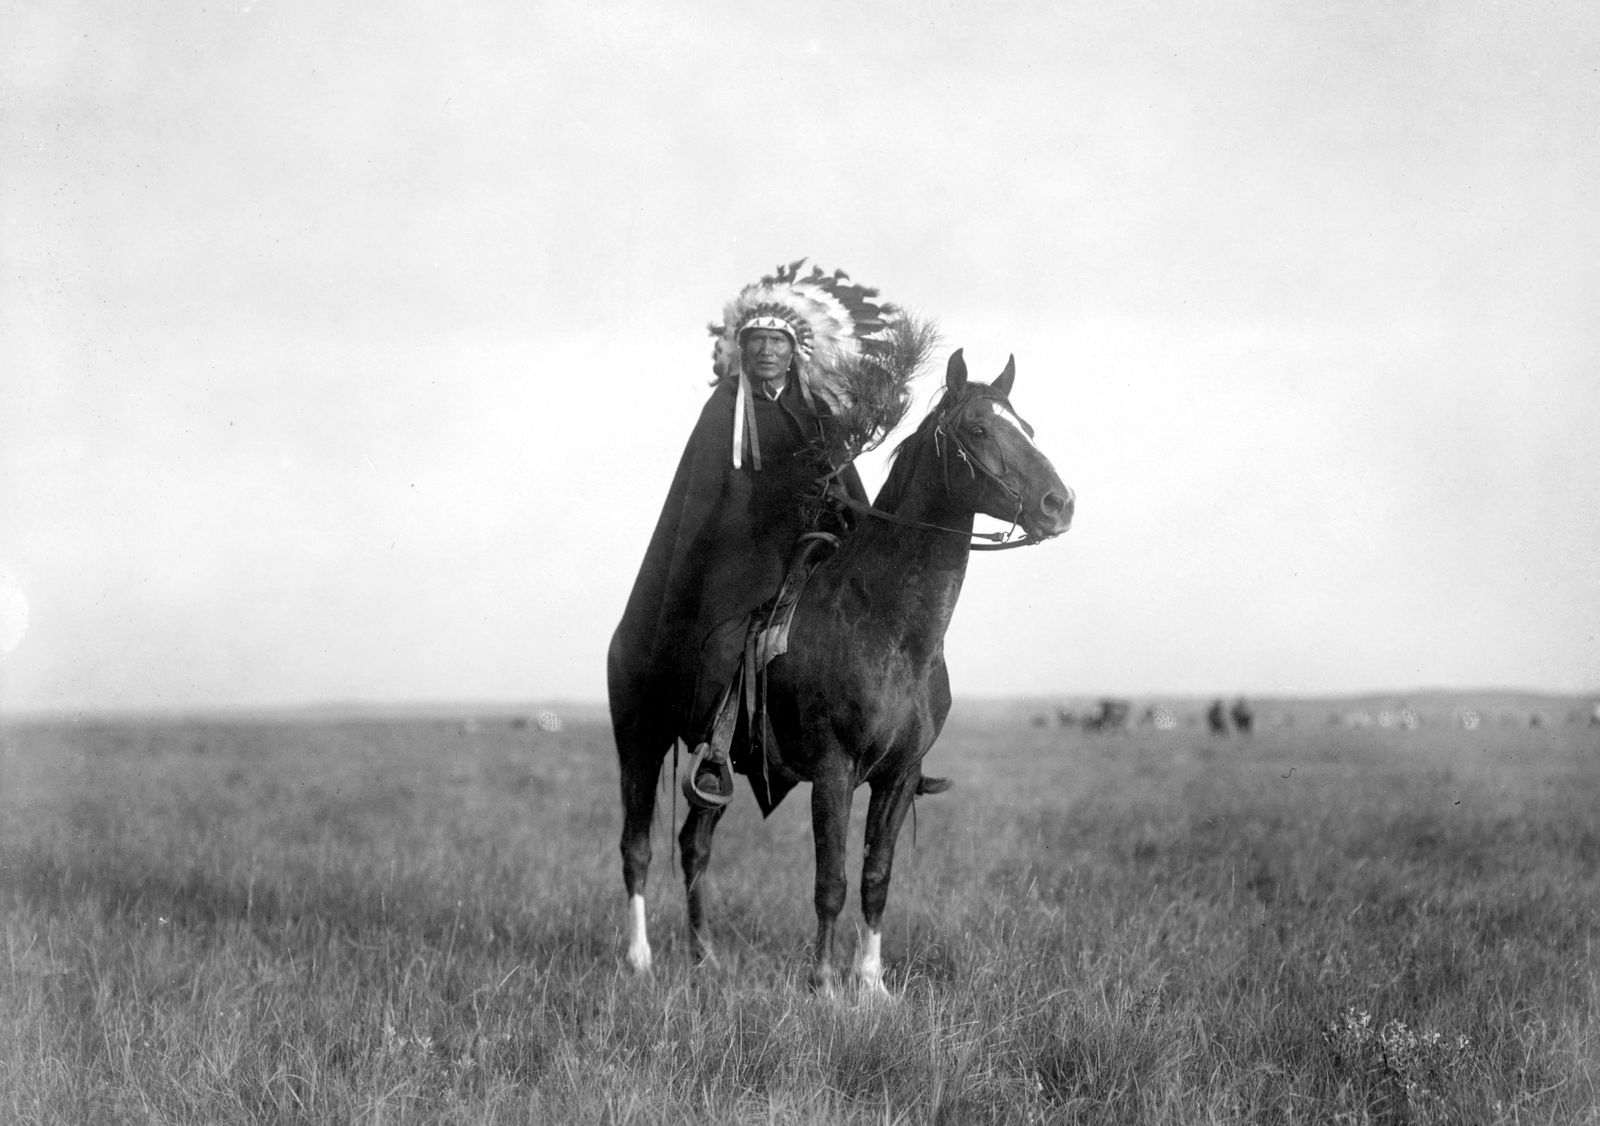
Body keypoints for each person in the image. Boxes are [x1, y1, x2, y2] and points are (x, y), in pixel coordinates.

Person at [608, 260, 932, 808]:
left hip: (816, 547)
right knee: (725, 638)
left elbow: (844, 483)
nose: (765, 351)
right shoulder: (723, 411)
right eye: (755, 341)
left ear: (794, 349)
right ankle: (714, 748)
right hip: (745, 552)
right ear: (742, 349)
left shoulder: (820, 411)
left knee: (889, 622)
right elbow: (704, 497)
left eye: (775, 342)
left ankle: (902, 751)